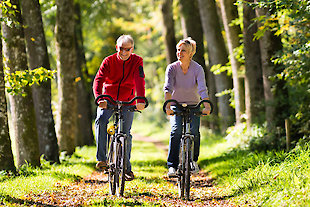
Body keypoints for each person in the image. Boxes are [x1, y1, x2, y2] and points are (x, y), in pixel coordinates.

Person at [93, 34, 146, 181]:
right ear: (117, 47)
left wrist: (140, 99)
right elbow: (98, 80)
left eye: (127, 49)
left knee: (126, 134)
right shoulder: (108, 61)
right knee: (101, 120)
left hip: (128, 100)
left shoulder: (137, 61)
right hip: (108, 99)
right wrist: (99, 98)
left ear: (132, 49)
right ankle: (102, 159)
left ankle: (127, 168)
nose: (124, 52)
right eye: (121, 49)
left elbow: (139, 80)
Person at [163, 37, 211, 177]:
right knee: (176, 131)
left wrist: (206, 105)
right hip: (176, 106)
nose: (179, 52)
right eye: (178, 50)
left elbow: (202, 89)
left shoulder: (197, 69)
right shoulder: (172, 68)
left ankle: (193, 161)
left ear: (191, 53)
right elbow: (168, 88)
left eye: (183, 50)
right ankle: (172, 165)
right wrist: (168, 105)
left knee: (194, 132)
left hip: (193, 105)